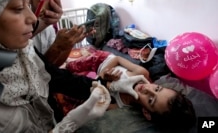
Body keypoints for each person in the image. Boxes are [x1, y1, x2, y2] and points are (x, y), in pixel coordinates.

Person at [0, 0, 126, 133]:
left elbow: (55, 76)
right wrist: (67, 125)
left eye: (28, 5)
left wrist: (103, 85)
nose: (32, 18)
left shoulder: (23, 49)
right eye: (18, 7)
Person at [64, 48, 196, 128]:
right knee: (71, 66)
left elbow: (93, 98)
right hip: (103, 60)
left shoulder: (122, 105)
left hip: (97, 80)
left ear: (146, 112)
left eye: (150, 100)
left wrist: (104, 82)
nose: (146, 89)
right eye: (157, 89)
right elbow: (117, 59)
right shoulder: (142, 73)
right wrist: (103, 74)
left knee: (71, 90)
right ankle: (84, 56)